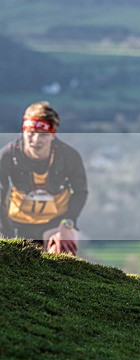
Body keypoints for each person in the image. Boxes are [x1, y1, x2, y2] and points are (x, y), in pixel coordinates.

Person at [0, 101, 88, 255]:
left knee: (63, 250)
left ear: (53, 134)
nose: (36, 140)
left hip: (55, 223)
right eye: (31, 132)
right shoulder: (8, 156)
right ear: (23, 131)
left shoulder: (69, 156)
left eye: (43, 134)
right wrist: (6, 234)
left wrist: (68, 222)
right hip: (18, 223)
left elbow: (81, 191)